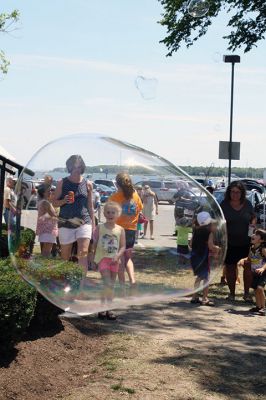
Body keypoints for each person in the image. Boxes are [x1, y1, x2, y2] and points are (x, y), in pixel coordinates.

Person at [53, 155, 95, 278]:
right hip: (65, 222)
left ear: (82, 167)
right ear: (69, 167)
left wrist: (93, 224)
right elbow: (54, 202)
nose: (76, 168)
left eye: (79, 166)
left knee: (83, 253)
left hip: (84, 221)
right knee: (65, 256)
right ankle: (65, 284)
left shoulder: (88, 184)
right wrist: (63, 201)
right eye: (74, 166)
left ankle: (81, 287)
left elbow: (90, 206)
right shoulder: (62, 182)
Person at [220, 181, 256, 301]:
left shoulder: (248, 204)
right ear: (229, 192)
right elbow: (219, 221)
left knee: (247, 267)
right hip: (229, 243)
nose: (235, 194)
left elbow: (253, 220)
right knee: (230, 268)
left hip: (246, 242)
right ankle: (232, 294)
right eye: (232, 191)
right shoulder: (224, 205)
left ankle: (246, 294)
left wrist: (252, 236)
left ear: (242, 193)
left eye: (238, 192)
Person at [92, 201, 126, 320]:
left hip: (115, 261)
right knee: (107, 283)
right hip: (102, 259)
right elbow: (95, 243)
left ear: (118, 214)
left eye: (113, 212)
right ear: (104, 213)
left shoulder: (120, 229)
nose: (110, 214)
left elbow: (123, 246)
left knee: (110, 285)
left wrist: (118, 256)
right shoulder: (100, 227)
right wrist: (92, 258)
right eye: (108, 212)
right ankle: (103, 308)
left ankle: (108, 309)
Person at [108, 172, 142, 288]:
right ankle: (132, 281)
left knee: (119, 259)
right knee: (128, 258)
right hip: (131, 231)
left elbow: (109, 214)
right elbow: (139, 209)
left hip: (118, 231)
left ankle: (122, 285)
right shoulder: (136, 196)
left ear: (117, 184)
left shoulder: (114, 197)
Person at [190, 211, 220, 306]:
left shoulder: (196, 230)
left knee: (199, 277)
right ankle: (204, 298)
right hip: (203, 258)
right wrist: (217, 248)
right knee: (206, 278)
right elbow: (211, 246)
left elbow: (190, 243)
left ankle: (194, 297)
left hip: (195, 257)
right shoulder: (209, 233)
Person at [237, 229, 266, 315]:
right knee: (256, 289)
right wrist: (242, 260)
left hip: (263, 273)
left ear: (262, 240)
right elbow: (249, 258)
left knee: (260, 288)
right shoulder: (252, 249)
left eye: (256, 234)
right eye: (254, 233)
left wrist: (263, 269)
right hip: (255, 273)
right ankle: (258, 306)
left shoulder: (263, 249)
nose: (253, 235)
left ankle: (264, 308)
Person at [36, 183, 58, 257]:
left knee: (46, 250)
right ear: (43, 193)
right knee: (47, 251)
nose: (50, 192)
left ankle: (43, 265)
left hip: (46, 229)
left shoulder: (44, 201)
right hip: (48, 230)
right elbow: (54, 215)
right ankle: (44, 266)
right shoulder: (45, 202)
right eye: (48, 191)